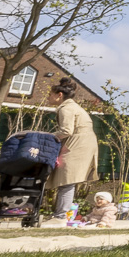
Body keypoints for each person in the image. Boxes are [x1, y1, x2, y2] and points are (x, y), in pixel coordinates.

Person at [48, 78, 97, 224]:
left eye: (50, 94)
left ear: (59, 95)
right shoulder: (73, 106)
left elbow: (66, 131)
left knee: (67, 180)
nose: (48, 97)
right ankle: (61, 215)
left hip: (77, 144)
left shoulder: (66, 108)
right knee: (68, 180)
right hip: (83, 142)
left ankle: (60, 217)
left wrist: (47, 137)